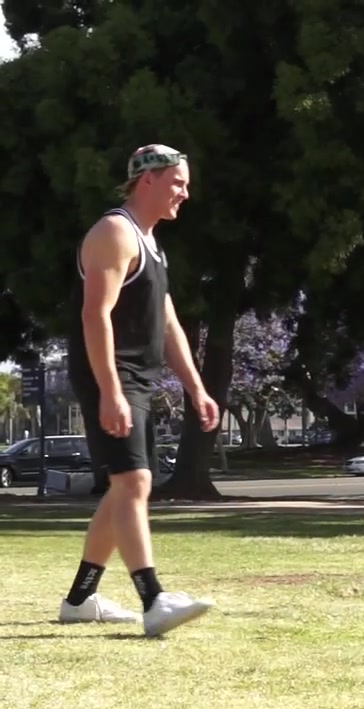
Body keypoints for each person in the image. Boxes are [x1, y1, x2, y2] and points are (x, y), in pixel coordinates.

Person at [58, 144, 218, 637]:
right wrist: (110, 390)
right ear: (148, 180)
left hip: (137, 378)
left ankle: (80, 600)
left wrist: (196, 388)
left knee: (127, 486)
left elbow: (167, 323)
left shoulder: (149, 241)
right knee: (134, 483)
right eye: (178, 182)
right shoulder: (114, 232)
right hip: (111, 373)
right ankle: (153, 599)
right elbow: (95, 315)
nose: (185, 193)